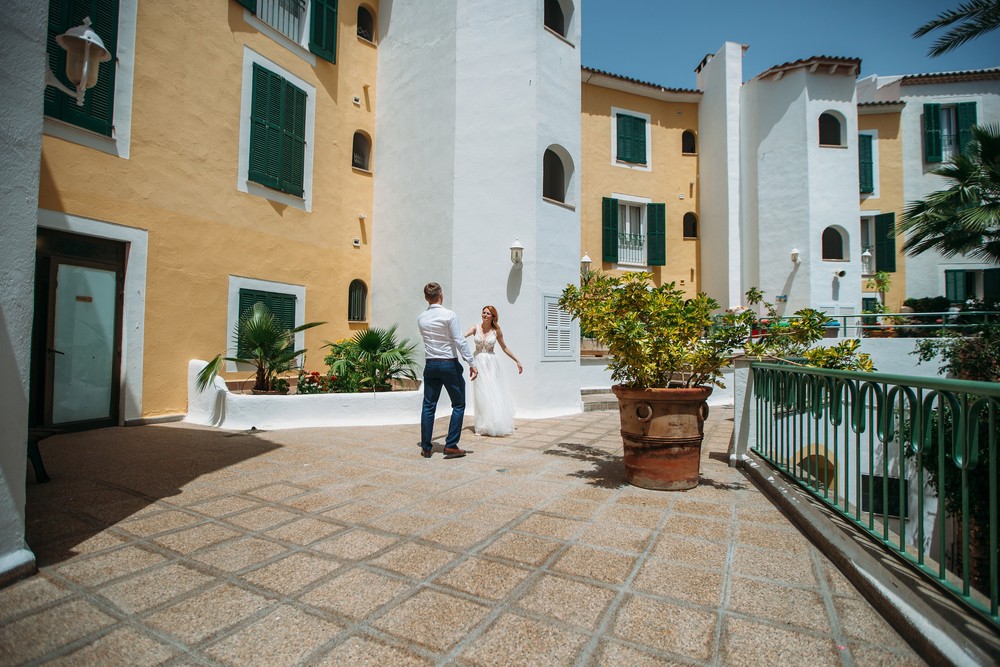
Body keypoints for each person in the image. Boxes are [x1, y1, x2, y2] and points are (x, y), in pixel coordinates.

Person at [416, 282, 477, 459]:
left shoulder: (421, 318)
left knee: (428, 405)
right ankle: (451, 446)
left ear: (426, 298)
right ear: (440, 294)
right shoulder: (449, 315)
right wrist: (471, 362)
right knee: (458, 404)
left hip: (431, 364)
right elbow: (459, 340)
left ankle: (426, 447)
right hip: (449, 364)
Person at [465, 305, 522, 436]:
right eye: (483, 313)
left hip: (491, 364)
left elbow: (504, 347)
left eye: (488, 314)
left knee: (491, 391)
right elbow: (463, 335)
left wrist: (517, 360)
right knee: (480, 394)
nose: (484, 315)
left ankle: (494, 422)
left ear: (493, 317)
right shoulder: (475, 328)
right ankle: (481, 426)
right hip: (478, 363)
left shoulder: (497, 331)